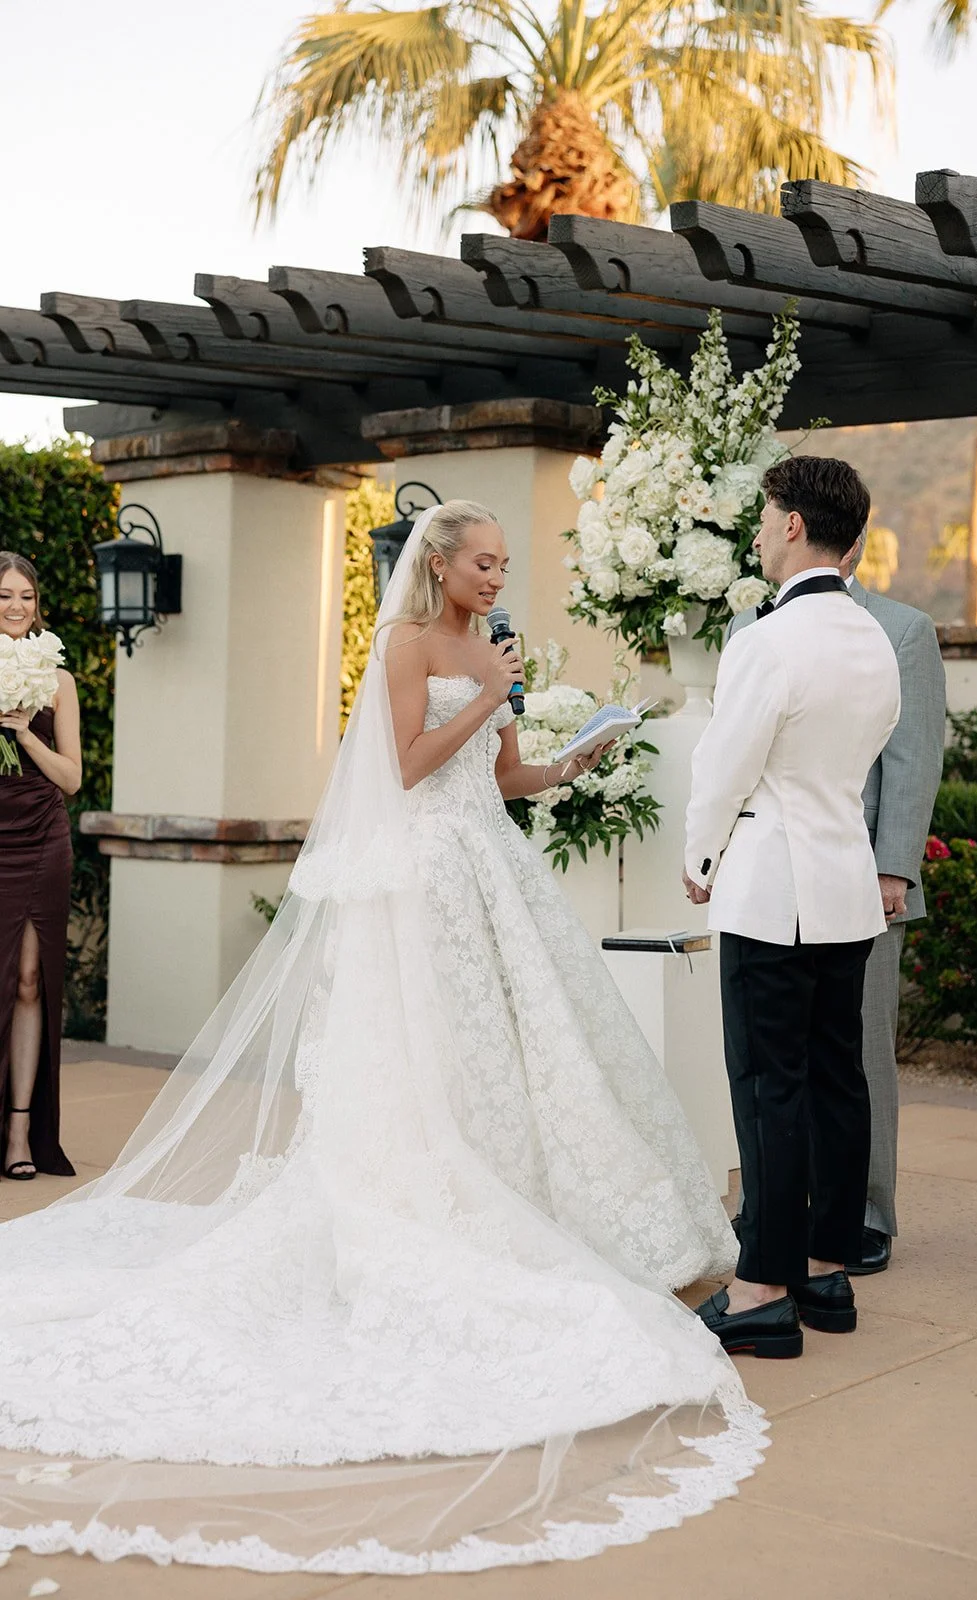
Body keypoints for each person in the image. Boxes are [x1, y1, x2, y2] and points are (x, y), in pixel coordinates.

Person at [0, 500, 764, 1578]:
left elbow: (495, 776)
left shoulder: (491, 648)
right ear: (438, 564)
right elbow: (405, 767)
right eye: (483, 562)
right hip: (424, 883)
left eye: (506, 564)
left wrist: (560, 764)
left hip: (490, 867)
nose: (498, 579)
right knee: (431, 1061)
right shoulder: (408, 642)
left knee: (528, 1058)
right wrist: (490, 694)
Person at [683, 457, 900, 1358]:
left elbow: (724, 765)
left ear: (795, 527)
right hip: (844, 885)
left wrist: (699, 857)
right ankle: (824, 1268)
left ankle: (761, 1289)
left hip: (772, 885)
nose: (761, 530)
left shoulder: (764, 639)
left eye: (768, 516)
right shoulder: (872, 636)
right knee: (833, 1083)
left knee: (768, 1084)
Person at [725, 531, 945, 1276]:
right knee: (781, 1065)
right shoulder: (749, 623)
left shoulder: (902, 628)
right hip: (770, 881)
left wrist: (893, 871)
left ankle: (865, 1214)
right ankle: (781, 1211)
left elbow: (912, 761)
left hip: (860, 883)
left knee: (856, 1057)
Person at [0, 552, 80, 1182]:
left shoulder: (60, 681)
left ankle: (21, 1131)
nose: (17, 607)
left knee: (30, 982)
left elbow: (73, 779)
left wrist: (26, 734)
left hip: (42, 835)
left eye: (26, 596)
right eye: (4, 596)